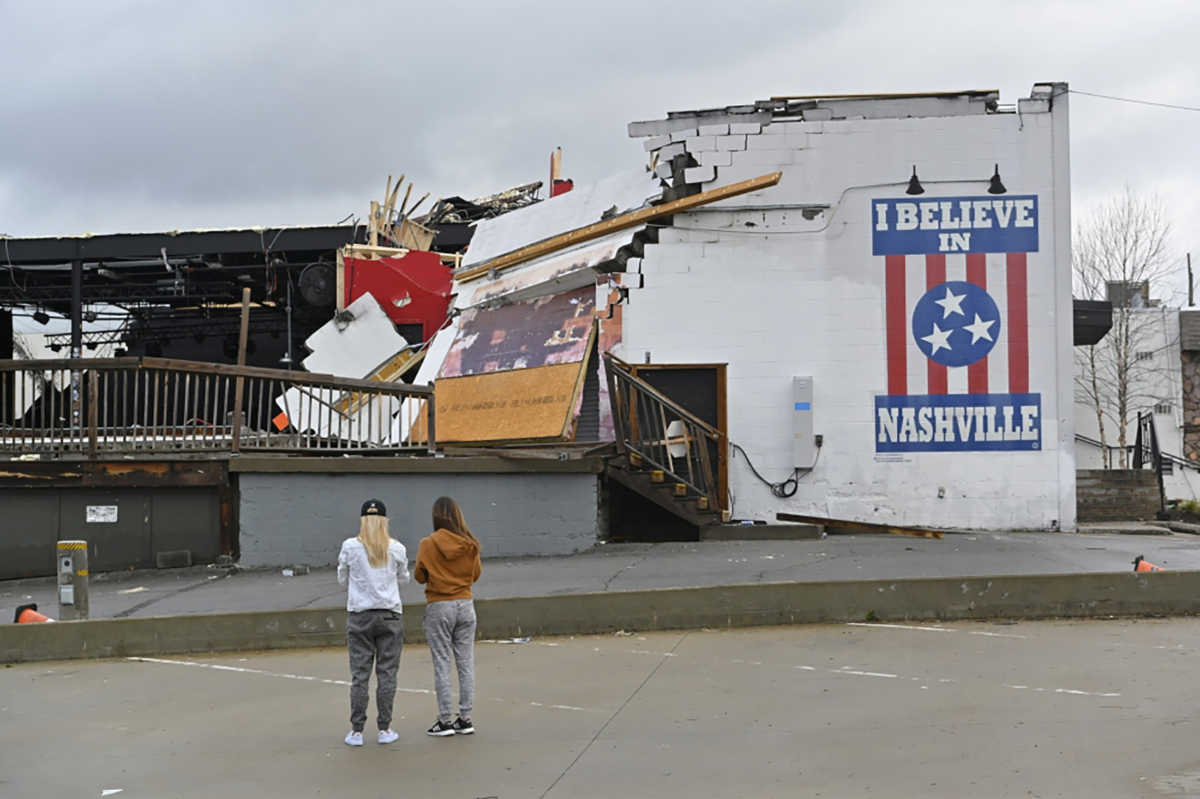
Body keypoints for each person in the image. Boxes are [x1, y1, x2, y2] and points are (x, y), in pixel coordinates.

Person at [337, 498, 410, 747]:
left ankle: (356, 731)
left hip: (360, 614)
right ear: (384, 521)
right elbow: (404, 579)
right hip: (389, 614)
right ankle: (385, 728)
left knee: (360, 675)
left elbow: (341, 578)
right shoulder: (397, 548)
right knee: (387, 673)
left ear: (362, 521)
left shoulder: (349, 546)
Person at [414, 496, 482, 736]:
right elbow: (475, 574)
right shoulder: (471, 543)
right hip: (465, 604)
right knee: (465, 662)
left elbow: (420, 576)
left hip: (439, 605)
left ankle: (444, 721)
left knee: (442, 662)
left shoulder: (427, 544)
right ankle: (465, 718)